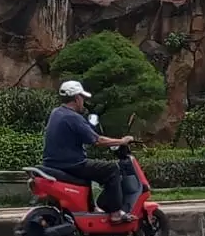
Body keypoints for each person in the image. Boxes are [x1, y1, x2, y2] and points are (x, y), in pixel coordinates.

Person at [42, 79, 136, 222]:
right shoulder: (73, 117)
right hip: (71, 164)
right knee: (111, 169)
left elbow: (84, 135)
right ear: (77, 98)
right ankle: (116, 213)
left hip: (53, 163)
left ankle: (91, 207)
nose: (83, 102)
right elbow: (97, 140)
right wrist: (122, 141)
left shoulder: (56, 113)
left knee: (88, 173)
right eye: (83, 98)